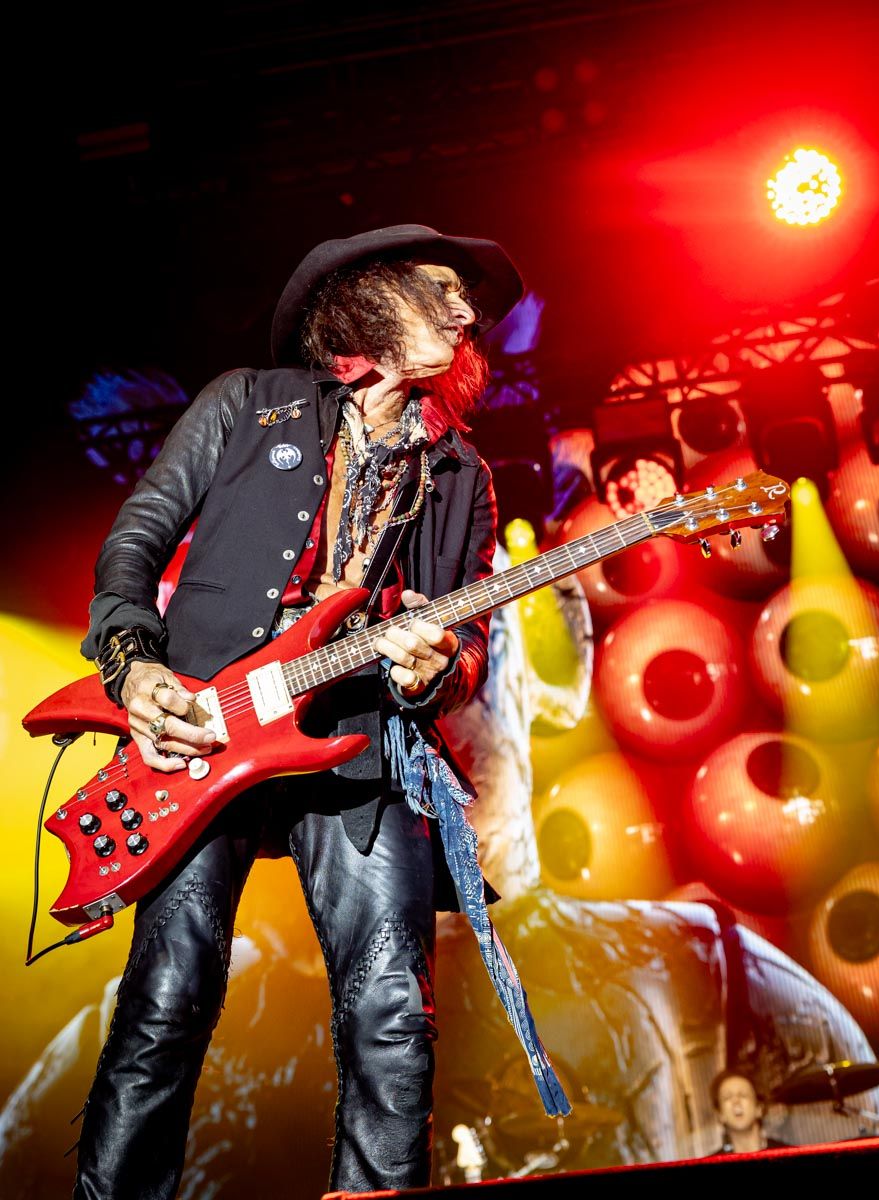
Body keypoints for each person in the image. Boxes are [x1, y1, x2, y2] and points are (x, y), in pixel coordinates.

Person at [72, 224, 568, 1200]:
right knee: (168, 998)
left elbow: (467, 646)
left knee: (393, 1011)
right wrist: (134, 666)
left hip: (360, 742)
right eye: (442, 288)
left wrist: (433, 672)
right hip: (204, 727)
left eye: (469, 301)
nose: (466, 312)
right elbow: (136, 539)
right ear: (368, 293)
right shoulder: (245, 404)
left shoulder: (460, 472)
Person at [708, 1069, 791, 1154]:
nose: (736, 1101)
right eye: (727, 1097)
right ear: (720, 1115)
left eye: (743, 1095)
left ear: (759, 1109)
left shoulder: (787, 1154)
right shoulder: (712, 1161)